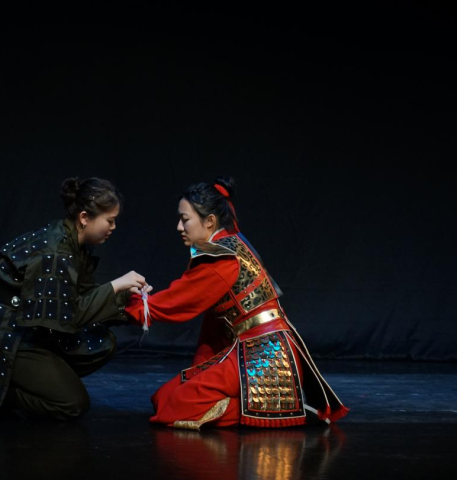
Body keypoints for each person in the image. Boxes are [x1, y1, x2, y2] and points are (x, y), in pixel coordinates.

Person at [126, 176, 349, 430]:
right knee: (164, 396)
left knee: (176, 407)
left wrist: (128, 302)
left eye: (185, 219)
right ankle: (275, 405)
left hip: (265, 357)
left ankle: (285, 409)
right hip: (249, 349)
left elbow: (176, 302)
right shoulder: (229, 242)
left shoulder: (220, 257)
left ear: (210, 221)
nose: (179, 227)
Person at [0, 177, 147, 421]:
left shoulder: (75, 244)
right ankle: (4, 393)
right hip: (9, 336)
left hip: (32, 330)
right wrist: (115, 286)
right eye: (110, 220)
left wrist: (127, 296)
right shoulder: (55, 250)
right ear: (85, 218)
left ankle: (44, 382)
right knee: (73, 404)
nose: (113, 227)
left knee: (101, 343)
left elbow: (82, 297)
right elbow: (70, 316)